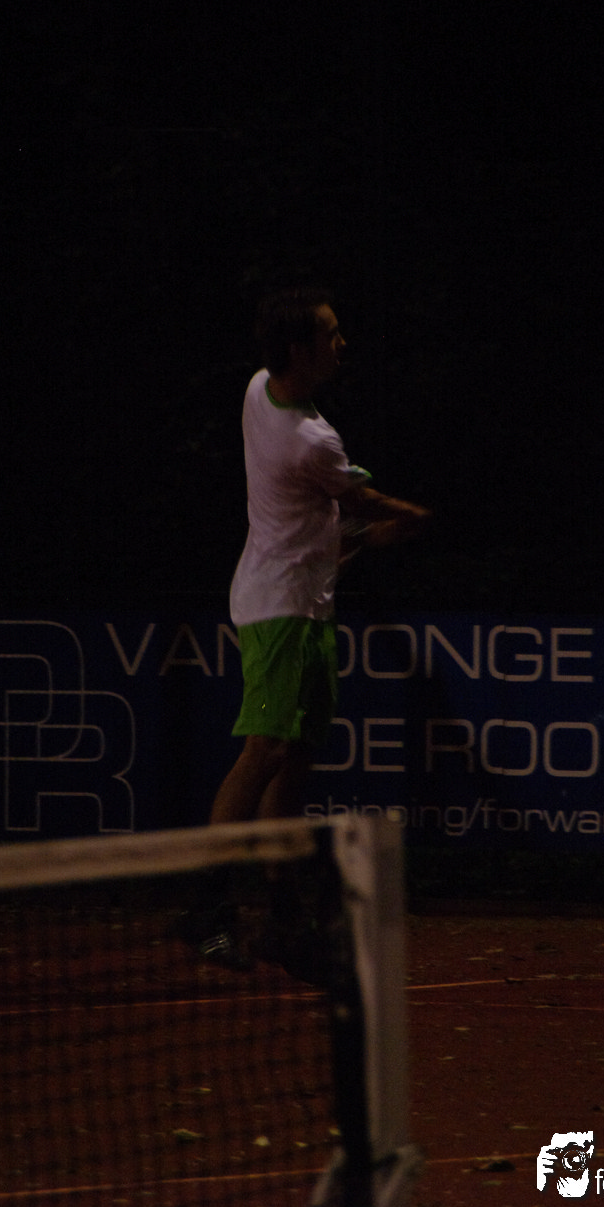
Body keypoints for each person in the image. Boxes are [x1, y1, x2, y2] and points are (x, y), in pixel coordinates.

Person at [211, 287, 429, 822]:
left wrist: (355, 539)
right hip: (278, 612)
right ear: (299, 350)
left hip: (307, 605)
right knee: (265, 749)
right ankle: (214, 872)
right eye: (330, 335)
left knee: (297, 754)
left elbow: (331, 513)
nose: (341, 343)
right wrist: (413, 515)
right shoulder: (312, 440)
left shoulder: (258, 388)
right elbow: (360, 501)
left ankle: (279, 873)